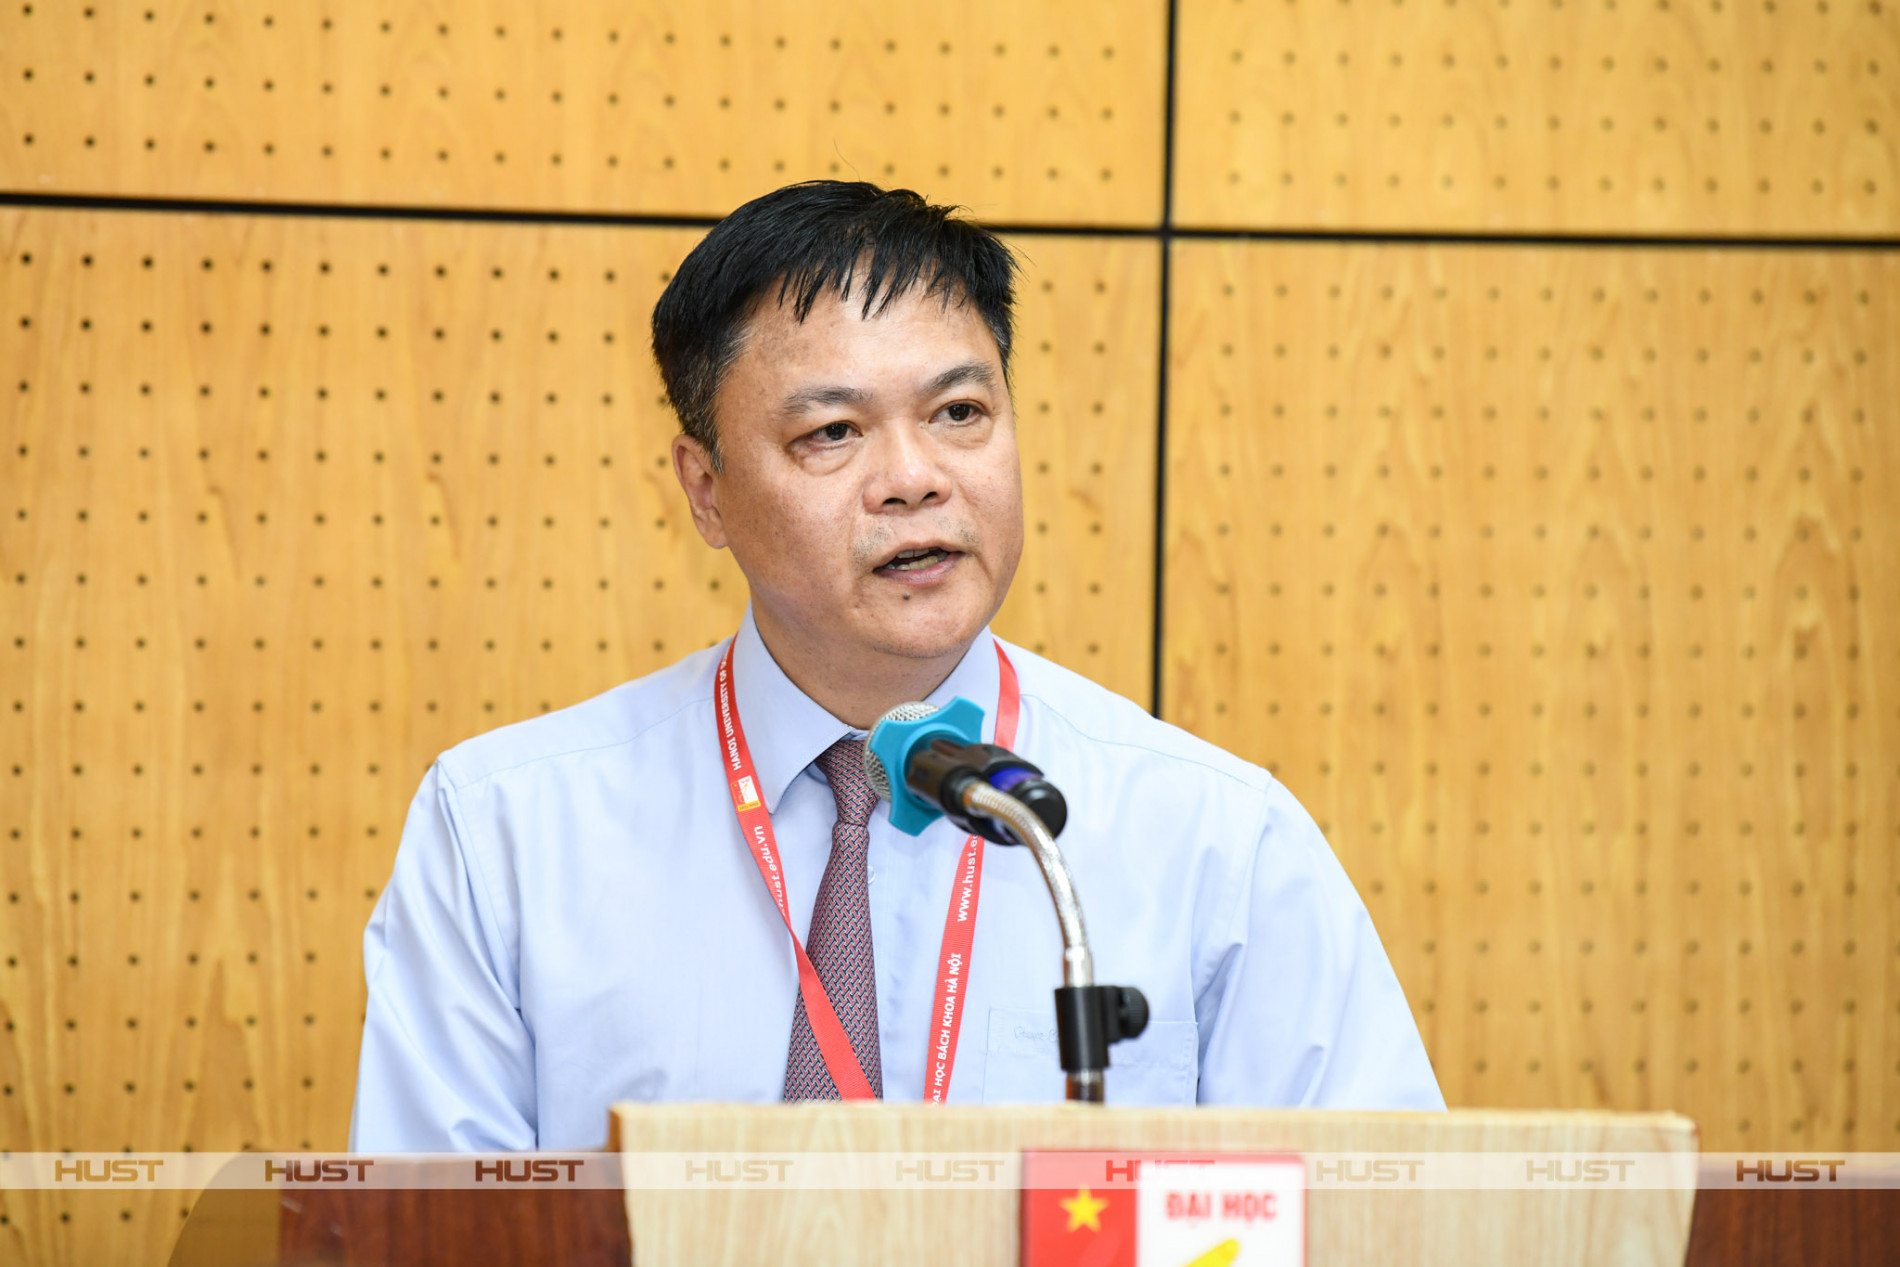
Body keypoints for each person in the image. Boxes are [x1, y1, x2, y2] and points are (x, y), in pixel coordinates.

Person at [348, 181, 1443, 1151]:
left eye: (960, 413)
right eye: (833, 432)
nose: (914, 478)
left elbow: (1385, 1218)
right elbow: (426, 1231)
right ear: (706, 489)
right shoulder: (506, 833)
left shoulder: (1210, 838)